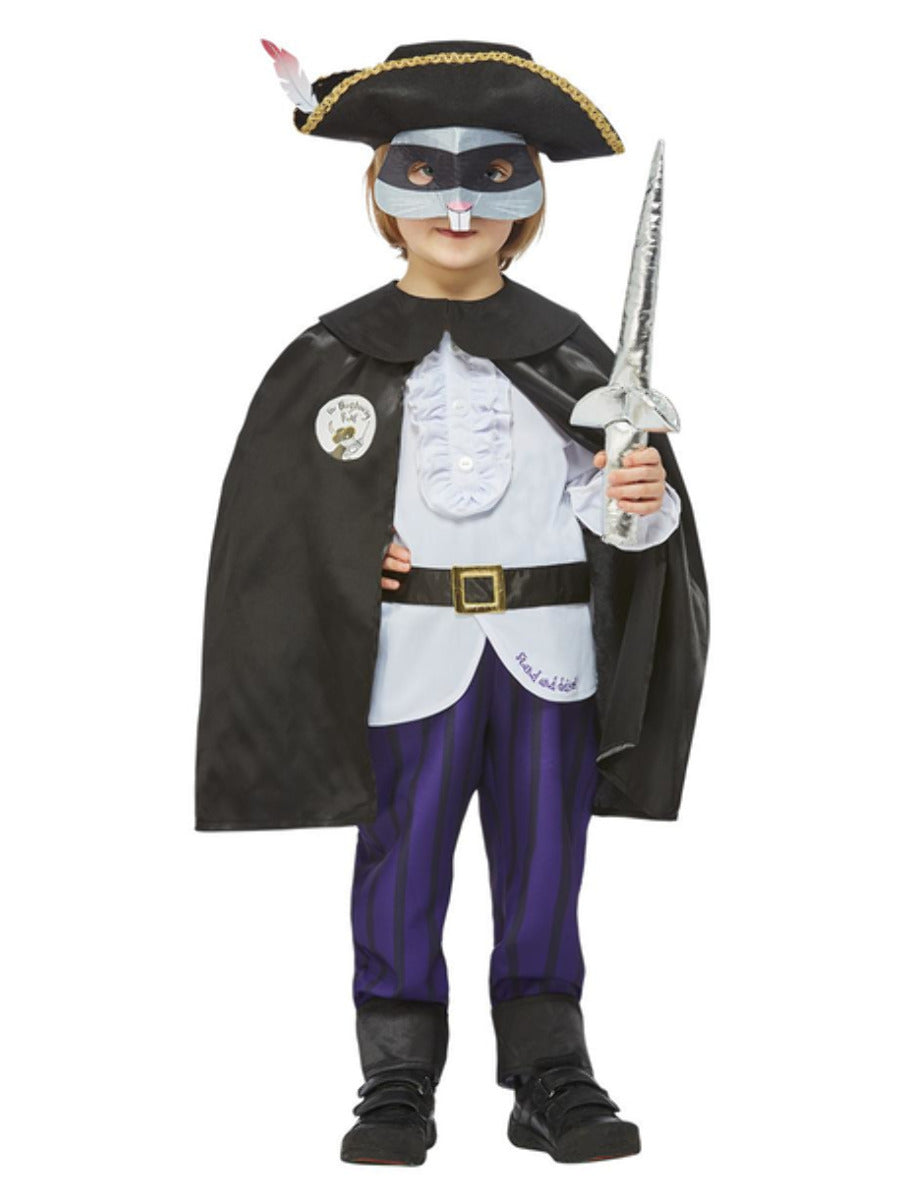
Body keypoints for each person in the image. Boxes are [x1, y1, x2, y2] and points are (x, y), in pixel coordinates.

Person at [195, 39, 710, 1168]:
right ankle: (395, 1076)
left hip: (547, 655)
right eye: (430, 180)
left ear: (527, 203)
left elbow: (623, 524)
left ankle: (549, 1070)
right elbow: (287, 521)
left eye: (494, 181)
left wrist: (636, 500)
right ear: (384, 193)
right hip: (409, 657)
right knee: (402, 856)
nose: (462, 212)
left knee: (545, 865)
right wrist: (346, 552)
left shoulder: (569, 354)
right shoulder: (334, 354)